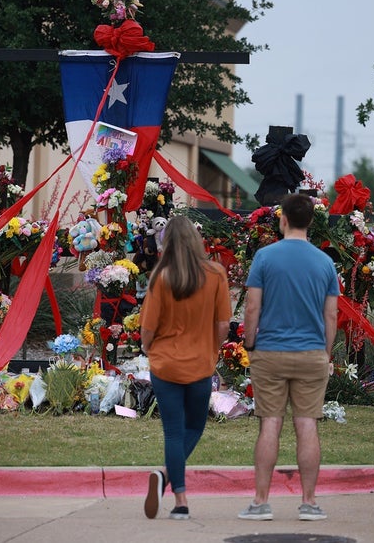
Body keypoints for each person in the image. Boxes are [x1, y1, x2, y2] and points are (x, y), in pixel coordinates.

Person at [238, 193, 338, 522]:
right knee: (307, 425)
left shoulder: (265, 258)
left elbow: (253, 307)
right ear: (310, 221)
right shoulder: (325, 263)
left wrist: (250, 343)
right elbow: (331, 317)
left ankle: (261, 502)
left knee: (270, 424)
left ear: (282, 219)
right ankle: (309, 503)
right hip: (310, 353)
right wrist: (324, 355)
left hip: (270, 352)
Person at [139, 215, 232, 520]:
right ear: (196, 240)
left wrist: (148, 348)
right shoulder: (216, 274)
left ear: (166, 244)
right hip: (200, 364)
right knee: (194, 427)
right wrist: (213, 350)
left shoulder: (161, 277)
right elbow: (223, 324)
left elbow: (148, 329)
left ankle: (179, 499)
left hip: (165, 365)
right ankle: (166, 479)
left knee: (173, 432)